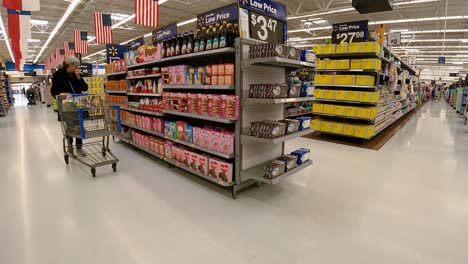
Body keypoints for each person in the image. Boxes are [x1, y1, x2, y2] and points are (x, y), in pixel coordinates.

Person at [51, 56, 88, 157]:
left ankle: (79, 147)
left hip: (78, 103)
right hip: (66, 105)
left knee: (79, 126)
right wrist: (59, 94)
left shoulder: (76, 74)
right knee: (69, 126)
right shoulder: (58, 75)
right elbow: (53, 90)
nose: (77, 67)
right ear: (70, 64)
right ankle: (70, 145)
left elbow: (85, 87)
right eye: (76, 65)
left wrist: (79, 77)